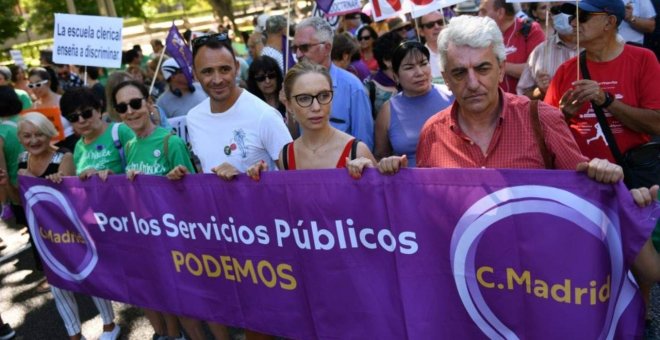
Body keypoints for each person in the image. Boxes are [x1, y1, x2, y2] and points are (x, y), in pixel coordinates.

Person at [365, 15, 660, 297]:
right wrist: (391, 177)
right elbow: (427, 211)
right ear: (446, 78)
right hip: (467, 284)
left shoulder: (541, 118)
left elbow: (583, 190)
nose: (472, 82)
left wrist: (607, 181)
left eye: (482, 68)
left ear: (501, 69)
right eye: (459, 72)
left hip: (541, 281)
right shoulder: (433, 132)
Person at [180, 32, 292, 340]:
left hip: (267, 241)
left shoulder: (263, 115)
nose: (217, 79)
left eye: (224, 69)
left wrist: (248, 179)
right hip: (223, 241)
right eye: (207, 71)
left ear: (237, 67)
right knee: (244, 318)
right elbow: (205, 170)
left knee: (272, 323)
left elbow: (294, 178)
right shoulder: (193, 118)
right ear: (195, 73)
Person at [111, 80, 194, 340]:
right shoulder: (130, 146)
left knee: (188, 305)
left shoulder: (171, 143)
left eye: (135, 103)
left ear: (149, 104)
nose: (130, 111)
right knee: (164, 295)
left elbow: (195, 198)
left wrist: (174, 181)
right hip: (149, 237)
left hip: (177, 239)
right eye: (122, 107)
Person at [48, 88, 124, 340]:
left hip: (131, 221)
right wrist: (62, 178)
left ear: (99, 108)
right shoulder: (78, 147)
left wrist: (113, 178)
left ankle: (170, 331)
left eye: (86, 113)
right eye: (73, 117)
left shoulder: (119, 132)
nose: (81, 120)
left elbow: (140, 169)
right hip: (100, 225)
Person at [544, 0, 660, 162]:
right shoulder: (566, 70)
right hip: (582, 176)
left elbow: (656, 124)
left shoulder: (643, 60)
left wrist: (605, 100)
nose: (573, 23)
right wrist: (564, 115)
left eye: (583, 16)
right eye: (572, 17)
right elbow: (544, 131)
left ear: (609, 22)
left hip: (631, 178)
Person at [246, 61, 376, 179]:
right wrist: (261, 179)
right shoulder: (285, 156)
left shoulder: (357, 151)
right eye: (304, 98)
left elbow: (381, 199)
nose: (316, 107)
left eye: (324, 96)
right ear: (289, 105)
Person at [293, 16, 374, 150]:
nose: (298, 54)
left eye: (304, 47)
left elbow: (364, 145)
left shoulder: (352, 88)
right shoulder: (295, 85)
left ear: (326, 48)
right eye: (294, 48)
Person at [374, 41, 454, 166]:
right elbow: (380, 157)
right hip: (410, 183)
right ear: (396, 76)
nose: (419, 72)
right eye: (409, 67)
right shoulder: (388, 110)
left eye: (423, 64)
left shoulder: (452, 95)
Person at [479, 0, 546, 93]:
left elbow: (536, 69)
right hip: (493, 104)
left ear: (500, 13)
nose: (479, 16)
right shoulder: (481, 36)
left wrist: (499, 65)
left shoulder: (531, 30)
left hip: (524, 103)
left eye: (483, 11)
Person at [517, 4, 577, 100]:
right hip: (553, 114)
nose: (562, 15)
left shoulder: (596, 46)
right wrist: (540, 91)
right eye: (556, 10)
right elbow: (522, 96)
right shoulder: (539, 51)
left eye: (567, 9)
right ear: (550, 14)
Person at [28, 67, 78, 151]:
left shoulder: (63, 100)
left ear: (48, 83)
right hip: (49, 150)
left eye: (38, 84)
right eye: (31, 85)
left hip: (70, 146)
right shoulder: (35, 106)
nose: (34, 88)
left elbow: (78, 122)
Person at [364, 32, 402, 118]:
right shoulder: (369, 90)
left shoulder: (411, 80)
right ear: (387, 61)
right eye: (401, 54)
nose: (406, 57)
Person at [416, 10, 446, 83]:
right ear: (421, 32)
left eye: (440, 22)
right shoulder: (418, 58)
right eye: (430, 25)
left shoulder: (459, 49)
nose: (437, 26)